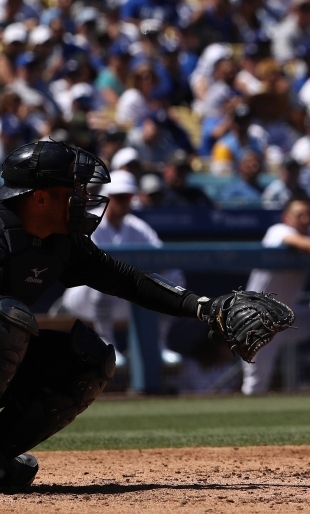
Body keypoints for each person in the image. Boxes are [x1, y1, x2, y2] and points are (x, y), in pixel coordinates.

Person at [0, 140, 278, 489]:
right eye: (73, 187)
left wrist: (206, 307)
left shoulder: (62, 241)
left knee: (87, 359)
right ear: (40, 198)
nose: (83, 196)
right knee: (9, 319)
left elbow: (127, 280)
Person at [60, 169, 186, 367]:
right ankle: (106, 344)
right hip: (81, 299)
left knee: (174, 277)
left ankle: (159, 343)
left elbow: (164, 257)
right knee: (102, 276)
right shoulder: (89, 221)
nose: (123, 201)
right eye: (118, 197)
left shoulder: (137, 227)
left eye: (127, 197)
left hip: (120, 300)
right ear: (108, 197)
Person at [241, 198, 310, 395]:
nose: (305, 219)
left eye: (308, 214)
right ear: (287, 218)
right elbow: (301, 244)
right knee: (256, 383)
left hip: (285, 319)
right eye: (299, 215)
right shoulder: (278, 231)